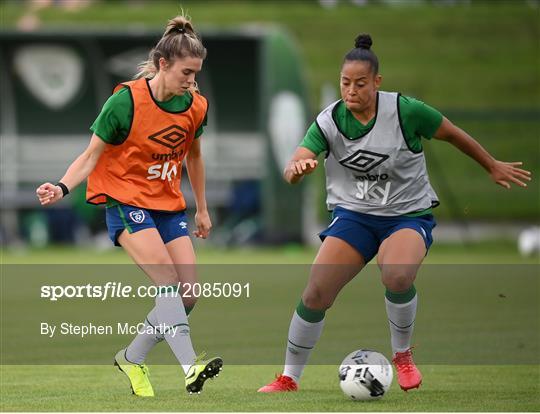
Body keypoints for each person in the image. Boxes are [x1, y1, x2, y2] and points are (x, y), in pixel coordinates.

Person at [258, 33, 531, 393]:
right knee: (315, 294)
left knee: (397, 275)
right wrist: (296, 169)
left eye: (360, 83)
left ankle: (402, 356)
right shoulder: (329, 121)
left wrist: (491, 164)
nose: (351, 90)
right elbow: (295, 162)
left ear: (377, 82)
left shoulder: (406, 111)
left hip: (407, 216)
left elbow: (453, 134)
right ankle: (289, 378)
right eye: (345, 82)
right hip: (355, 217)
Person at [36, 15, 222, 397]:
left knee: (188, 296)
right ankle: (190, 367)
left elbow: (195, 158)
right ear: (163, 64)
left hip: (168, 206)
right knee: (168, 282)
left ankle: (132, 357)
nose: (191, 80)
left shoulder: (195, 106)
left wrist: (201, 208)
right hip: (124, 200)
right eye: (186, 72)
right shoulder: (125, 101)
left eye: (196, 73)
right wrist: (61, 186)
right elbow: (90, 157)